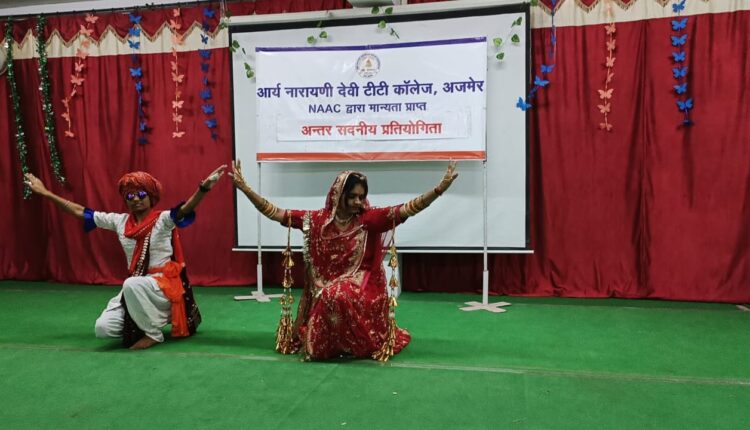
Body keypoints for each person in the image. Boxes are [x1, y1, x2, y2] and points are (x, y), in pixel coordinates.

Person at [230, 160, 458, 360]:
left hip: (363, 283)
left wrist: (438, 190)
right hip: (326, 284)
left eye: (362, 197)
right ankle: (329, 347)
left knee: (335, 294)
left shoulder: (368, 220)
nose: (359, 202)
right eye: (353, 197)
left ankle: (350, 346)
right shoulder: (317, 221)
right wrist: (246, 190)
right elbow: (277, 213)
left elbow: (407, 210)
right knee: (330, 292)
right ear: (339, 195)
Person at [24, 166, 226, 350]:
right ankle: (150, 318)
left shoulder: (163, 220)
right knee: (103, 328)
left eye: (141, 194)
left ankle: (153, 334)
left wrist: (203, 189)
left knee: (131, 284)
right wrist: (46, 193)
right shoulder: (119, 221)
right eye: (130, 195)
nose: (135, 199)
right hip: (137, 289)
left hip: (162, 289)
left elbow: (185, 209)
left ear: (151, 196)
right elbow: (80, 211)